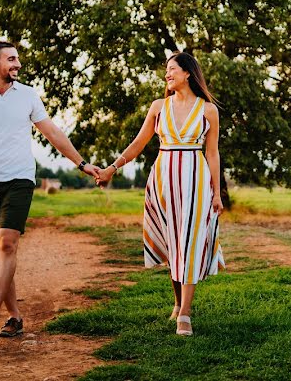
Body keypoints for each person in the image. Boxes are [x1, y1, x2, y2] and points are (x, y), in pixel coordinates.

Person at [0, 41, 105, 339]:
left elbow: (52, 132)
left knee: (7, 244)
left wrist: (82, 163)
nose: (18, 65)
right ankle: (14, 317)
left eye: (18, 60)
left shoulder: (27, 95)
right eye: (11, 59)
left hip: (19, 179)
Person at [96, 52, 226, 336]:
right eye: (166, 70)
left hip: (196, 179)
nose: (167, 75)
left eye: (172, 70)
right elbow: (138, 143)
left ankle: (186, 315)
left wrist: (217, 193)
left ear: (188, 73)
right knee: (172, 243)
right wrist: (111, 168)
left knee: (190, 241)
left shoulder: (208, 110)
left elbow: (213, 153)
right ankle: (178, 303)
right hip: (163, 180)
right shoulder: (158, 107)